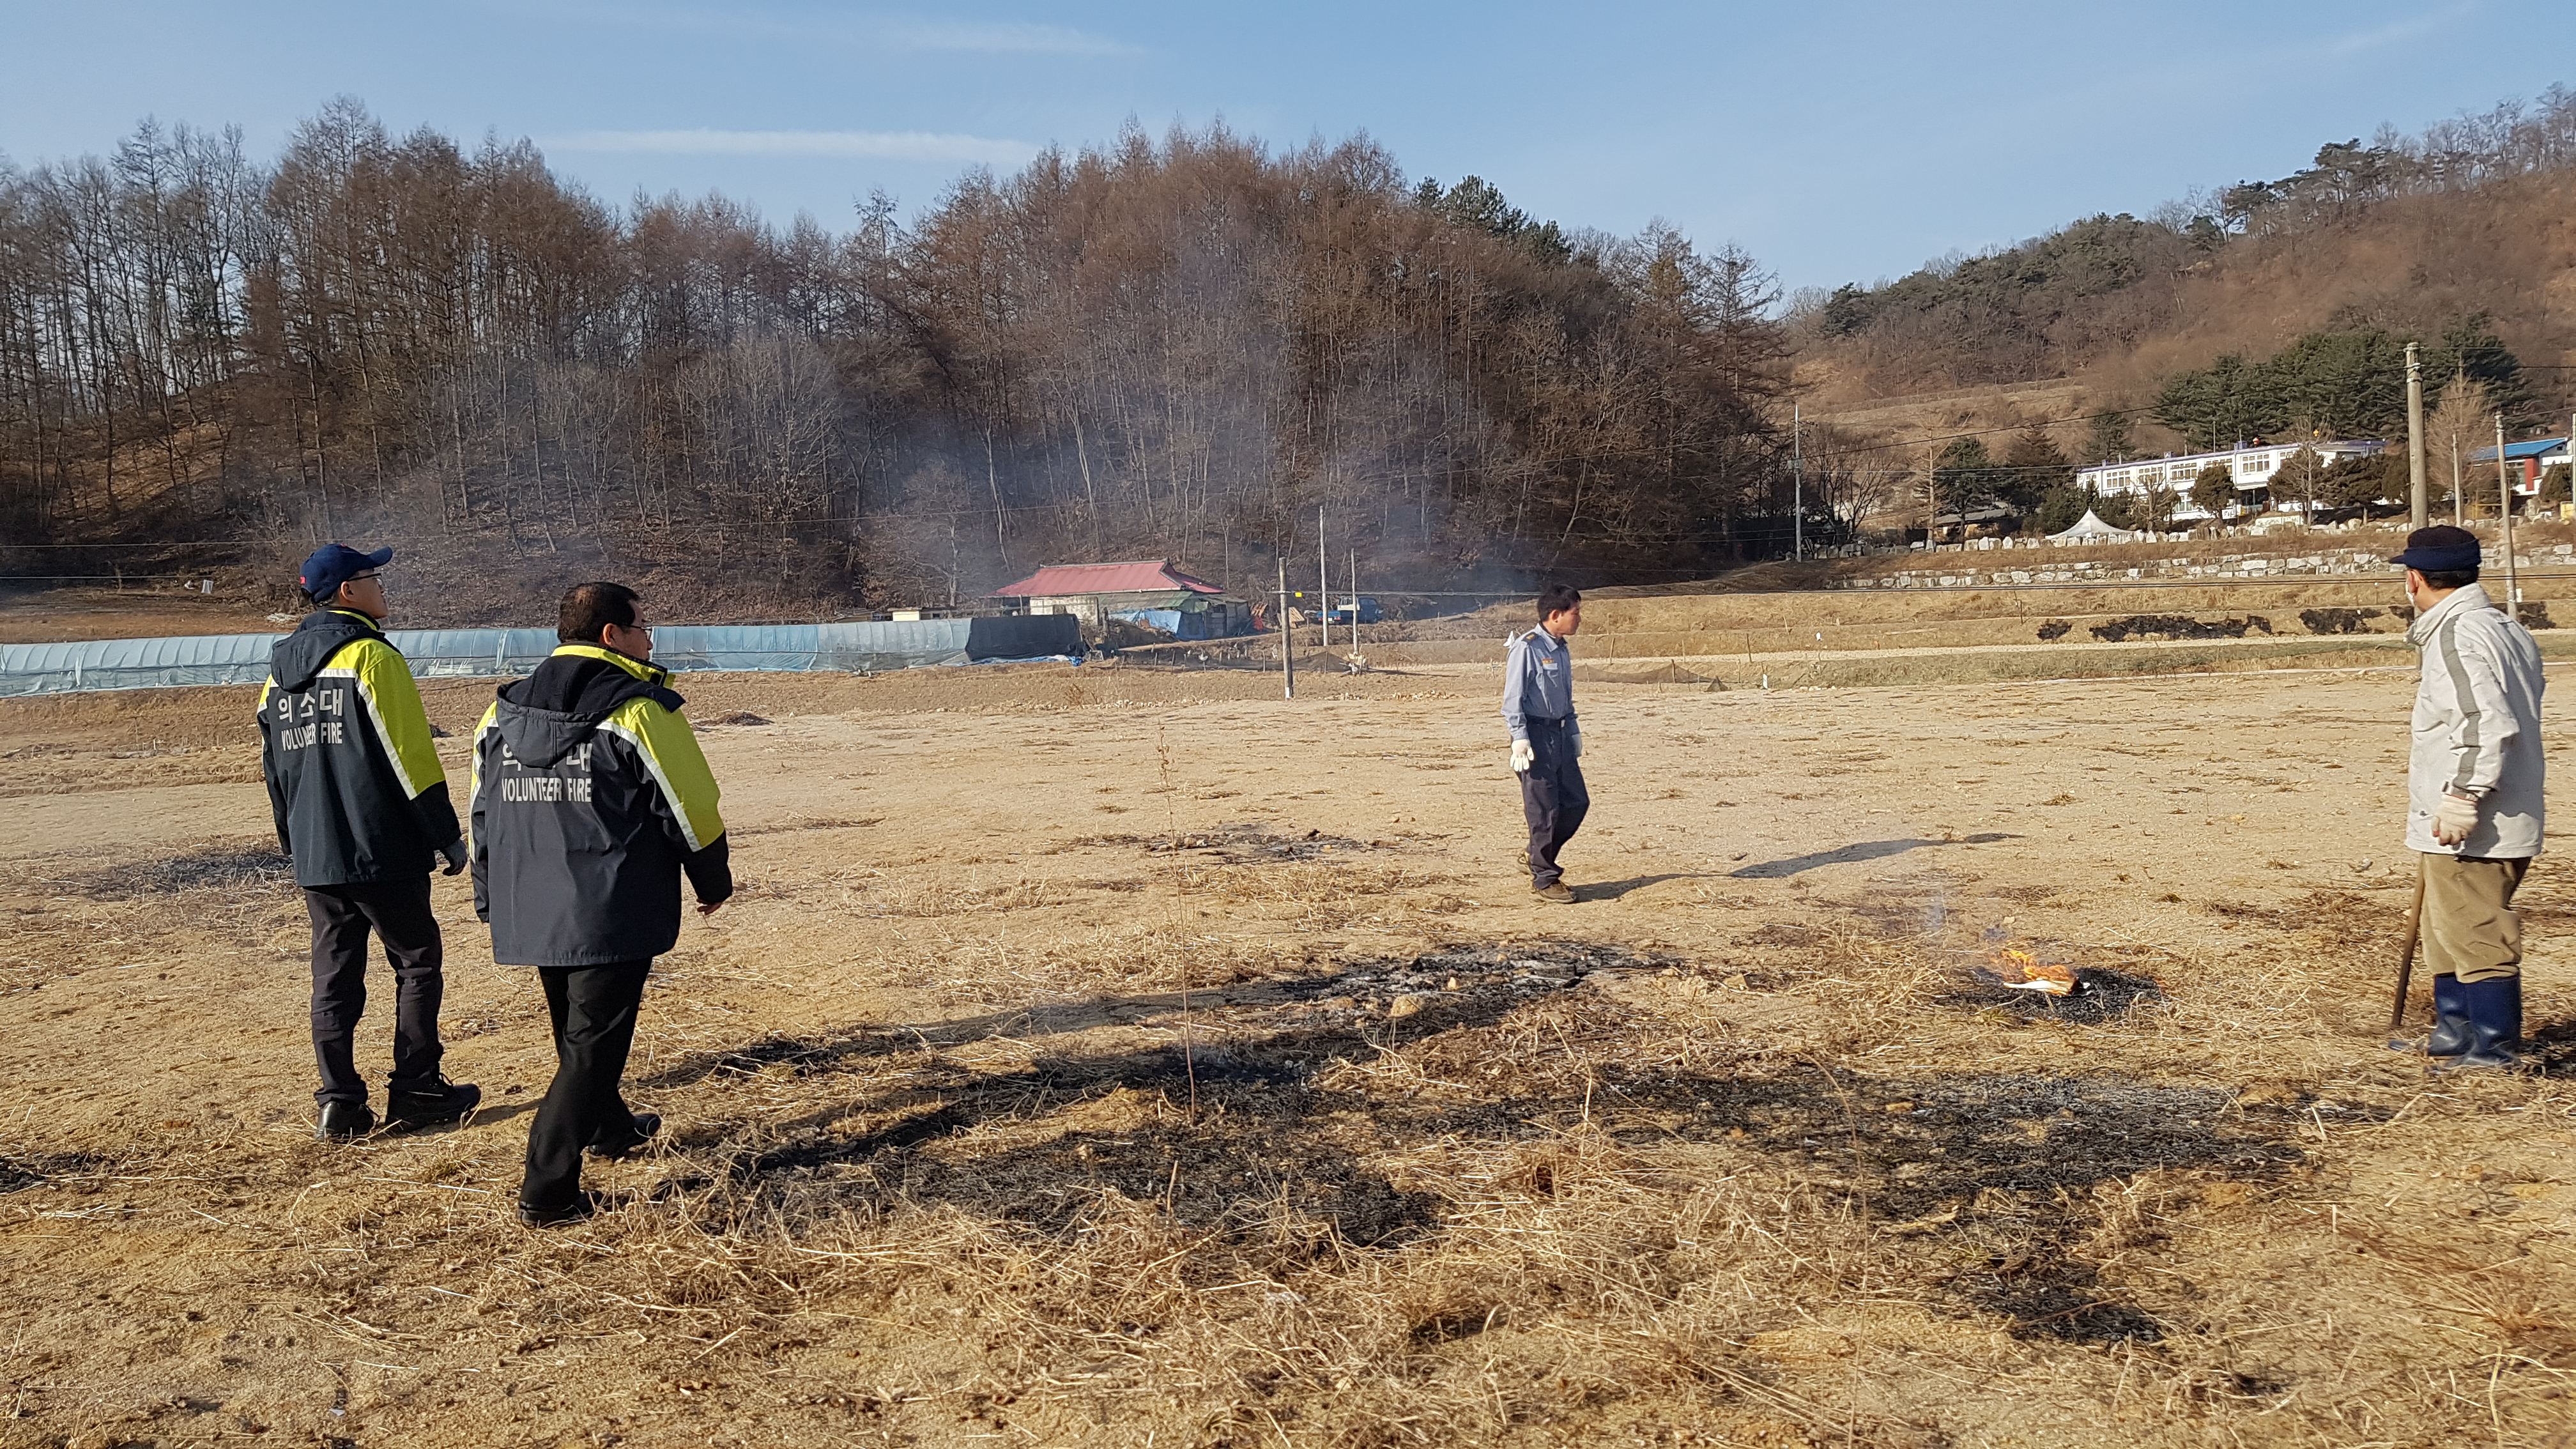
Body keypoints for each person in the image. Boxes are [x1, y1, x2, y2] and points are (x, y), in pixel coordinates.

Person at [473, 581, 732, 1226]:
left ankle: (609, 1127)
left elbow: (482, 812)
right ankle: (547, 1190)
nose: (650, 641)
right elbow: (689, 804)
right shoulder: (639, 711)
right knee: (594, 1045)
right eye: (644, 627)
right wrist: (713, 880)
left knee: (574, 1025)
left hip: (532, 898)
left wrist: (488, 890)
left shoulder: (500, 714)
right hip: (609, 903)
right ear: (612, 635)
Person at [259, 544, 480, 1140]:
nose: (383, 586)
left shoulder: (276, 675)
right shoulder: (372, 658)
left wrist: (295, 842)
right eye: (373, 577)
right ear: (348, 592)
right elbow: (410, 756)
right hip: (382, 846)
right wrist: (446, 835)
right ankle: (417, 1088)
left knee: (334, 976)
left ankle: (339, 1103)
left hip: (318, 854)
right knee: (416, 962)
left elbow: (274, 768)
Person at [2392, 525, 2545, 1070]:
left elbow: (2485, 724)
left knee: (2478, 932)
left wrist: (2462, 797)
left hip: (2475, 822)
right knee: (2447, 929)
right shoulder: (2507, 629)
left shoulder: (2458, 635)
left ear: (2414, 579)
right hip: (2486, 814)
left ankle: (2493, 1049)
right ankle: (2453, 1032)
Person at [1503, 584, 1588, 903]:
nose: (1579, 619)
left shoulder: (1561, 649)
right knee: (1544, 810)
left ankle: (1535, 855)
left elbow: (1565, 696)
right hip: (1536, 736)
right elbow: (1512, 699)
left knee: (1576, 802)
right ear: (1556, 615)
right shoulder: (1527, 648)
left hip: (1560, 733)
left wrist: (1573, 730)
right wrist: (1520, 737)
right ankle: (1545, 878)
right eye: (1575, 613)